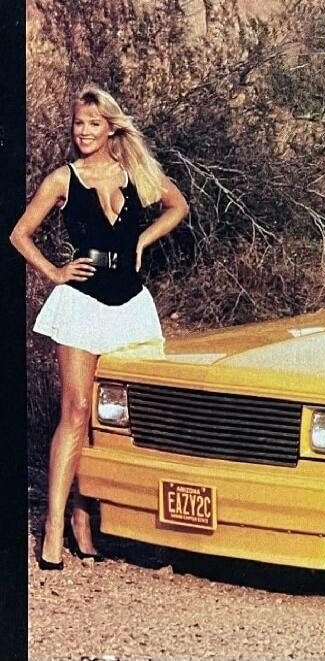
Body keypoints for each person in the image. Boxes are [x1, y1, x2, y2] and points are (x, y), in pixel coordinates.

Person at [10, 84, 189, 570]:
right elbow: (18, 234)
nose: (84, 131)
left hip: (131, 303)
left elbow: (178, 207)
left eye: (93, 123)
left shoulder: (136, 173)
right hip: (81, 304)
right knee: (77, 412)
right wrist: (54, 272)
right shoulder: (63, 180)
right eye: (77, 123)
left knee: (128, 417)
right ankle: (54, 527)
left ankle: (94, 520)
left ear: (112, 127)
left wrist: (142, 242)